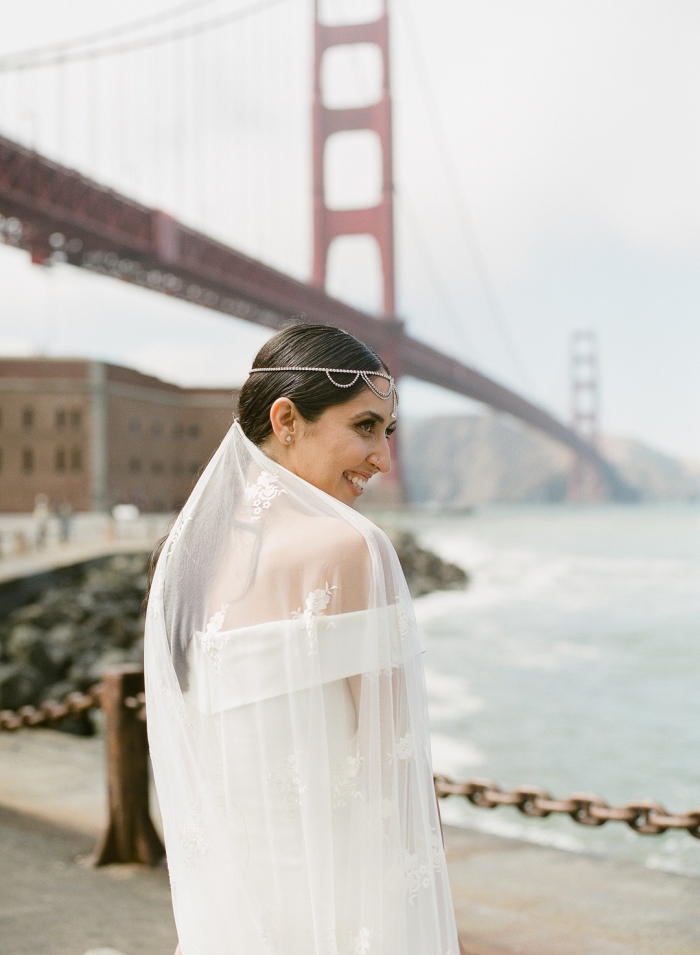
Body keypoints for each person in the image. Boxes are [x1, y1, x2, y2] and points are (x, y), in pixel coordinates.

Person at [145, 323, 462, 955]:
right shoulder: (352, 548)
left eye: (387, 431)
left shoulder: (186, 559)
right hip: (342, 911)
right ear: (286, 419)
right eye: (365, 427)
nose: (382, 458)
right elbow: (395, 777)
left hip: (232, 921)